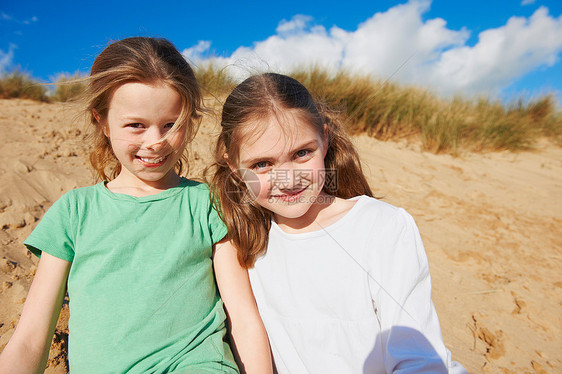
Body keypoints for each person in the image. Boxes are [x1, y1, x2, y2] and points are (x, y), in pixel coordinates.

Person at [0, 37, 272, 374]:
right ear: (100, 120)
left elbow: (243, 319)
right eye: (136, 126)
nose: (155, 141)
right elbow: (30, 339)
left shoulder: (208, 204)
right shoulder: (74, 211)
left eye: (171, 124)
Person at [210, 72, 467, 373]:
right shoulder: (244, 239)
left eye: (302, 153)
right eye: (262, 164)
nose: (289, 178)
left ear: (325, 138)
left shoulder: (382, 227)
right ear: (234, 166)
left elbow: (418, 358)